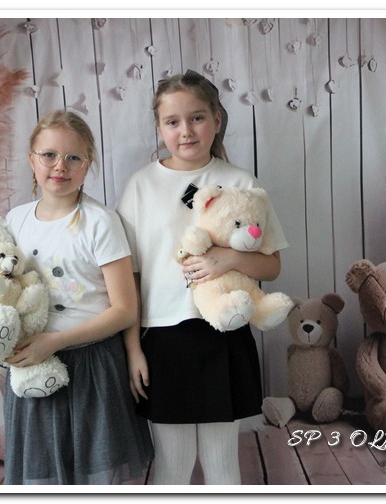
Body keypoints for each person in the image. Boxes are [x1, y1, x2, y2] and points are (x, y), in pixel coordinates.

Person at [0, 110, 153, 485]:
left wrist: (56, 341)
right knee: (42, 477)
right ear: (32, 160)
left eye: (73, 157)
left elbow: (125, 309)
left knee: (94, 476)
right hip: (32, 363)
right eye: (49, 155)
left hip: (91, 364)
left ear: (87, 165)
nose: (60, 166)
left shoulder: (100, 222)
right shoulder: (15, 220)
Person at [116, 70, 289, 485]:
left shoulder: (240, 182)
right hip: (161, 339)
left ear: (216, 119)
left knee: (221, 463)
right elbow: (128, 278)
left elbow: (272, 266)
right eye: (172, 121)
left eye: (197, 118)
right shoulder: (141, 186)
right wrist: (133, 350)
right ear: (159, 127)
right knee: (172, 466)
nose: (186, 131)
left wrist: (228, 259)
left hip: (223, 336)